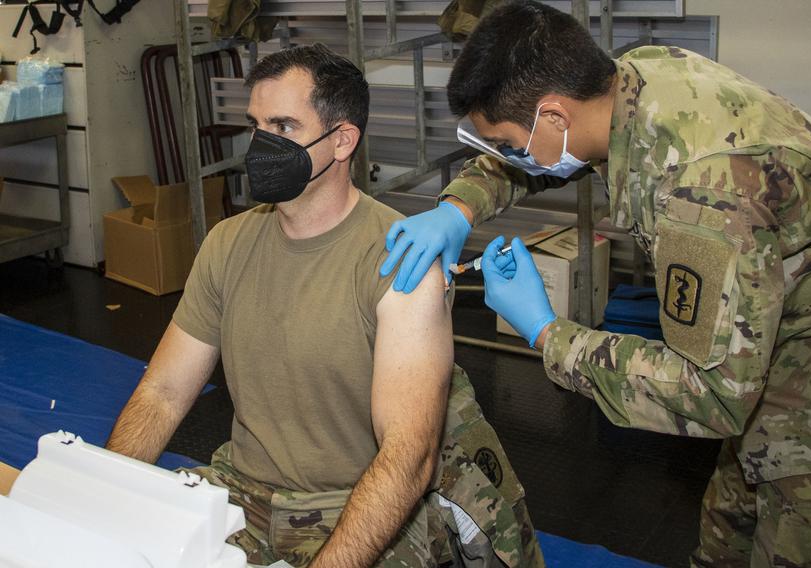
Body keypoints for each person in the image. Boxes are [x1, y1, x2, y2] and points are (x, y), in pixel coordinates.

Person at [380, 1, 811, 565]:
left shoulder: (706, 190)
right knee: (725, 541)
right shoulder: (627, 83)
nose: (509, 158)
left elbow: (713, 395)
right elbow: (533, 153)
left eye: (510, 143)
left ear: (555, 116)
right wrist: (459, 208)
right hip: (779, 339)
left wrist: (546, 332)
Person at [107, 44, 542, 568]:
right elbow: (162, 393)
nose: (262, 144)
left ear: (341, 142)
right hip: (243, 492)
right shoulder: (227, 243)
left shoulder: (399, 261)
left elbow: (408, 456)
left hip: (352, 501)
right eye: (256, 125)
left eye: (285, 127)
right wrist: (102, 497)